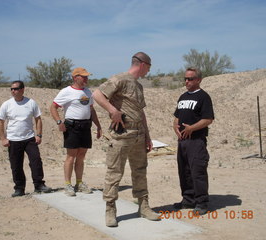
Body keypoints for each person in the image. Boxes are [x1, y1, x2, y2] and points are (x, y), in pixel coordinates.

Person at [93, 52, 159, 227]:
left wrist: (148, 135)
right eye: (149, 67)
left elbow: (141, 112)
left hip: (138, 135)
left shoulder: (138, 86)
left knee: (140, 171)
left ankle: (143, 206)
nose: (149, 71)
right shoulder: (120, 79)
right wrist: (112, 111)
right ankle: (110, 209)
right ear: (143, 64)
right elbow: (97, 95)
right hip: (121, 135)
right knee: (114, 173)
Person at [50, 67, 102, 197]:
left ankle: (79, 183)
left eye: (87, 76)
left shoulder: (88, 92)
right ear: (75, 77)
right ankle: (68, 184)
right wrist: (59, 122)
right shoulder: (66, 92)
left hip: (85, 126)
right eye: (83, 76)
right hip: (72, 126)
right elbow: (53, 107)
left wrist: (98, 126)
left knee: (81, 156)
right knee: (71, 156)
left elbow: (91, 110)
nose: (86, 79)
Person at [0, 80, 52, 197]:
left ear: (22, 90)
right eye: (11, 89)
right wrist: (3, 138)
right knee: (16, 165)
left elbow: (38, 119)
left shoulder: (31, 103)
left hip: (29, 139)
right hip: (13, 140)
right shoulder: (6, 104)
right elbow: (0, 121)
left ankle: (39, 185)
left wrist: (39, 135)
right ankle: (19, 188)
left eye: (15, 89)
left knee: (36, 161)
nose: (13, 91)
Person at [173, 67, 214, 215]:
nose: (187, 81)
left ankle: (202, 202)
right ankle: (188, 200)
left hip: (196, 141)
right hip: (182, 141)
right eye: (185, 78)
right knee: (184, 171)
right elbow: (177, 115)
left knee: (198, 171)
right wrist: (175, 126)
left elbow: (208, 119)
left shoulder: (203, 97)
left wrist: (192, 128)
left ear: (198, 80)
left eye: (190, 79)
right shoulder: (183, 96)